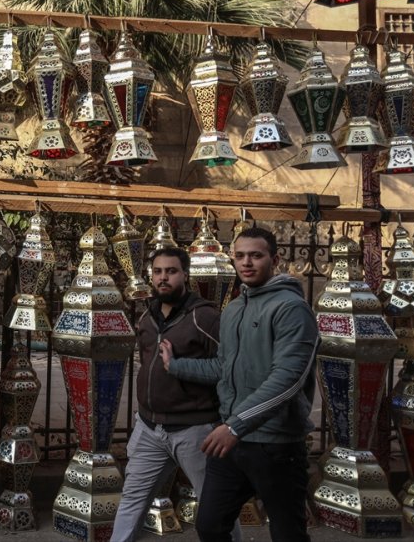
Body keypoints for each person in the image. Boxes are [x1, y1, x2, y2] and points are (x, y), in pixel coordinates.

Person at [159, 226, 318, 542]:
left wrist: (235, 426)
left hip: (276, 445)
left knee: (288, 534)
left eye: (256, 256)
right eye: (241, 256)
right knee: (210, 526)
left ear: (274, 259)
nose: (247, 263)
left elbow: (288, 380)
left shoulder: (291, 308)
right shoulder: (233, 309)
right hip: (232, 443)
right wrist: (175, 366)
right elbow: (223, 367)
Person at [110, 247, 240, 542]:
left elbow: (227, 369)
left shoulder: (205, 317)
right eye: (158, 272)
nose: (163, 278)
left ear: (185, 274)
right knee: (131, 501)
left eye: (171, 271)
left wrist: (178, 367)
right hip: (149, 428)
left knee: (216, 509)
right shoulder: (147, 316)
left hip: (195, 431)